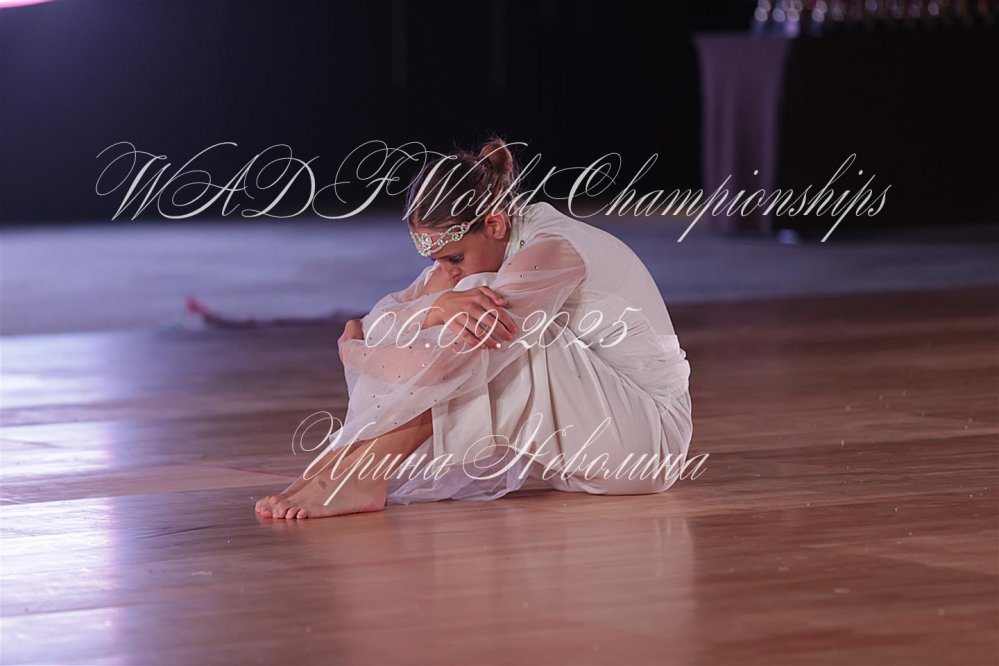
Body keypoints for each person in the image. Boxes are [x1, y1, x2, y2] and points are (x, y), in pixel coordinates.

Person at [255, 138, 693, 519]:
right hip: (579, 452)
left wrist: (353, 352)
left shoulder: (549, 250)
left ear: (495, 224)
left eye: (454, 258)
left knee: (486, 321)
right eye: (436, 261)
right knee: (458, 307)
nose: (447, 272)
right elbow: (379, 322)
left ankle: (364, 474)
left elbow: (440, 366)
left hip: (645, 446)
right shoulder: (480, 253)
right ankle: (342, 465)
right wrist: (434, 307)